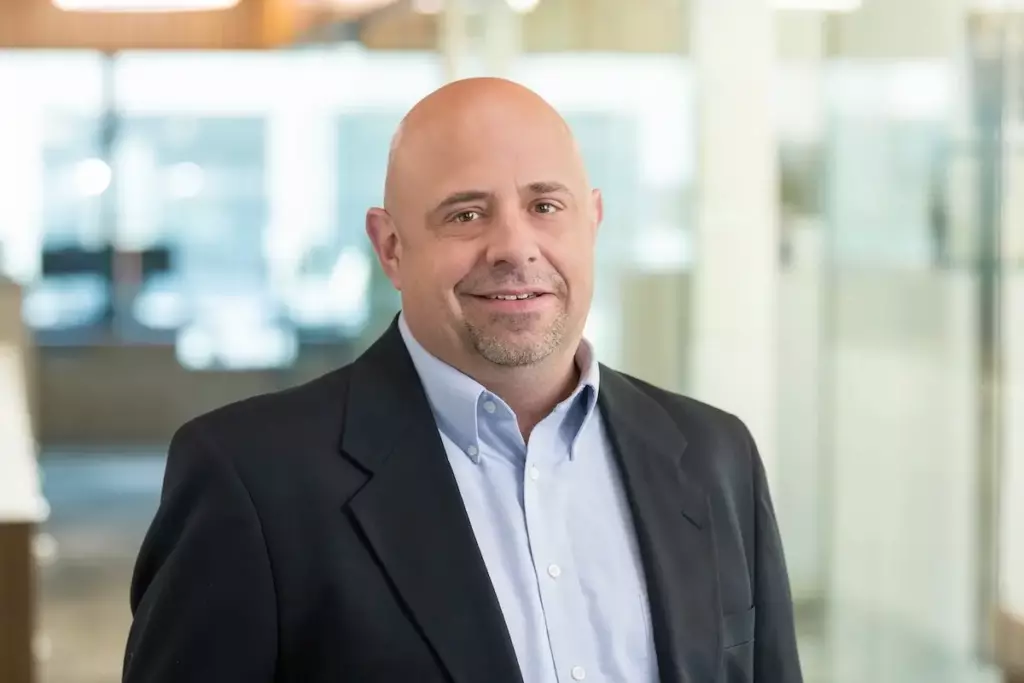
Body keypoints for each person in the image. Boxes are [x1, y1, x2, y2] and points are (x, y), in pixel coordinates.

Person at [123, 77, 803, 683]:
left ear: (591, 221)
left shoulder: (715, 457)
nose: (513, 246)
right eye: (466, 214)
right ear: (390, 247)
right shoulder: (252, 479)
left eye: (545, 205)